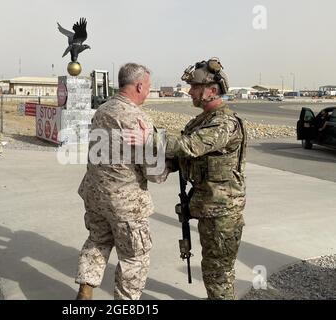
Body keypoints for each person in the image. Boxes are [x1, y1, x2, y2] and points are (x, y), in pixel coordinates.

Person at [128, 58, 246, 299]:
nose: (190, 91)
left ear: (212, 91)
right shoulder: (202, 120)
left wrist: (148, 137)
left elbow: (188, 146)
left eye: (195, 87)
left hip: (222, 213)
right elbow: (184, 157)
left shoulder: (224, 123)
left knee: (218, 273)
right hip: (208, 207)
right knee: (212, 268)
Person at [75, 63, 171, 300]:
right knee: (134, 257)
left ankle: (85, 292)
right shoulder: (139, 120)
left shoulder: (103, 110)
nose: (148, 92)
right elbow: (155, 173)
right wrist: (168, 164)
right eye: (147, 87)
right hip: (126, 204)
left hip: (95, 195)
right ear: (139, 86)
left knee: (97, 241)